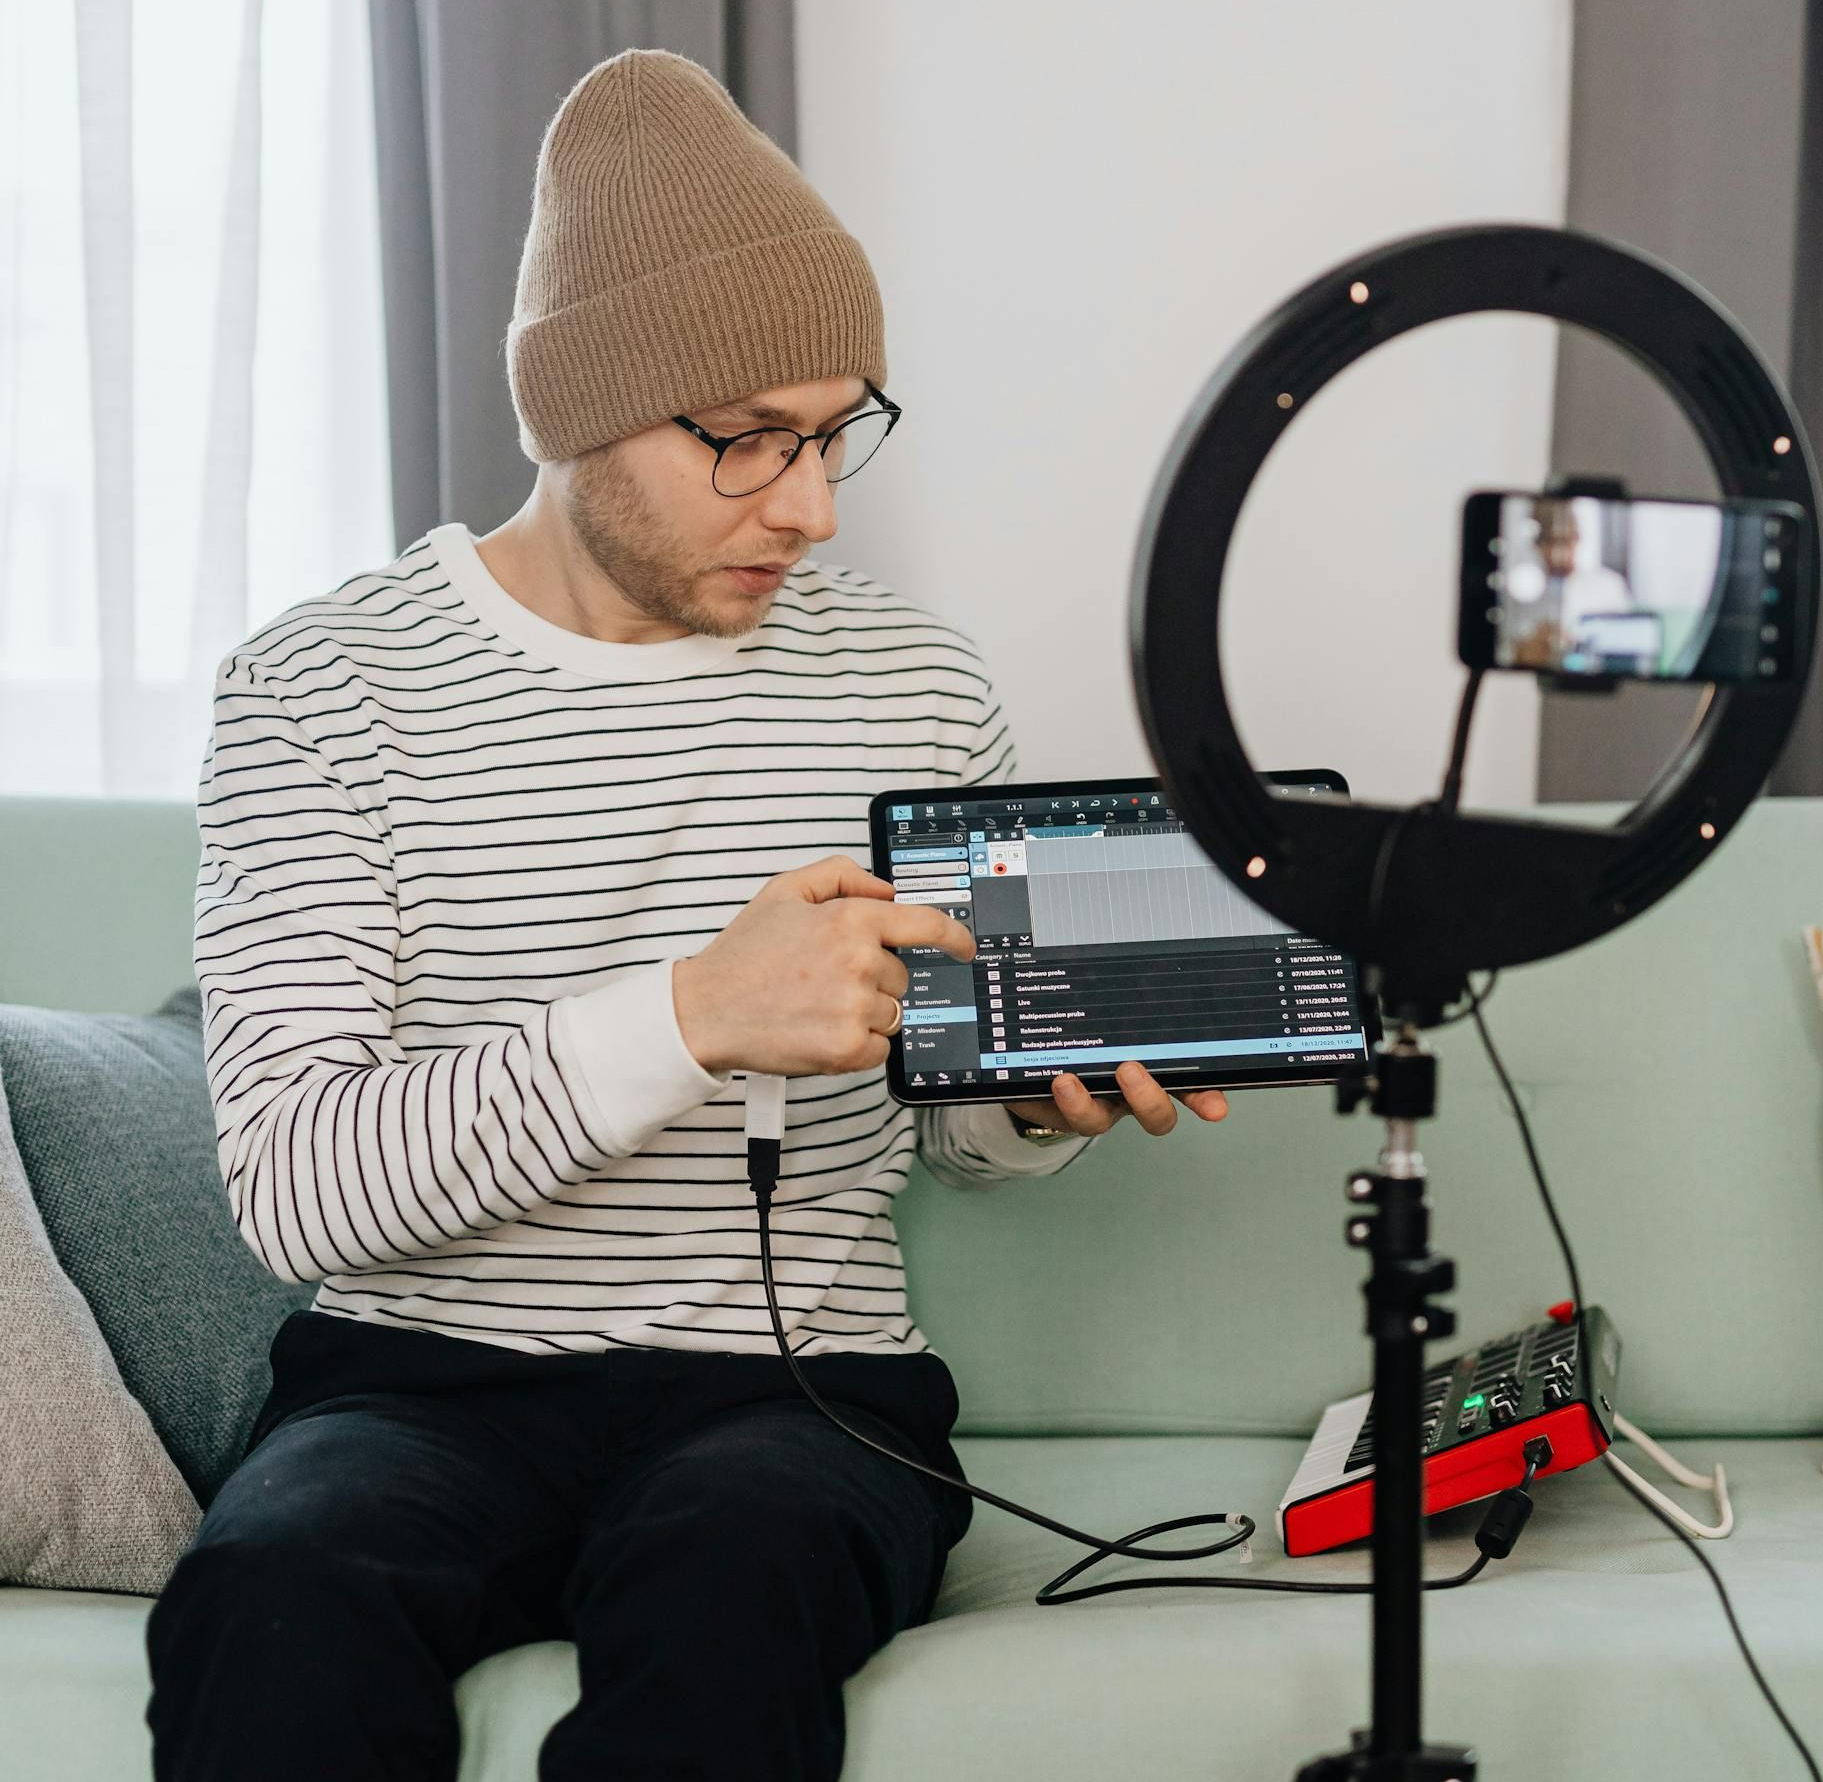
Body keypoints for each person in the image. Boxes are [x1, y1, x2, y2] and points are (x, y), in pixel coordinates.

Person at [144, 48, 1231, 1782]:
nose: (805, 503)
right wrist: (689, 1013)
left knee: (734, 1588)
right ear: (580, 407)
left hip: (797, 1401)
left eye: (835, 433)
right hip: (412, 1381)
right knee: (278, 1597)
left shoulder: (918, 687)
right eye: (743, 440)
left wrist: (1030, 1103)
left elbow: (950, 1144)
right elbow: (300, 1182)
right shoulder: (319, 690)